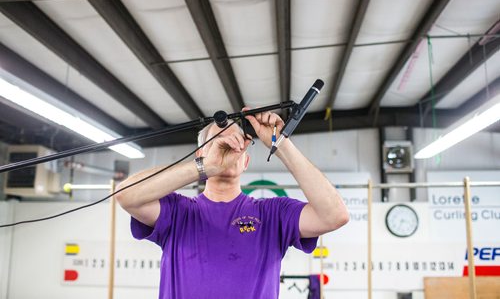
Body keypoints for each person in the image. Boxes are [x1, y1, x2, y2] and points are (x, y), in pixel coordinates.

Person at [115, 109, 349, 299]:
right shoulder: (178, 212)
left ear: (245, 161)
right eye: (217, 141)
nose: (225, 146)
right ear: (200, 156)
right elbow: (125, 194)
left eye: (233, 140)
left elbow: (334, 215)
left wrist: (282, 144)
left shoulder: (272, 214)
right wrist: (207, 166)